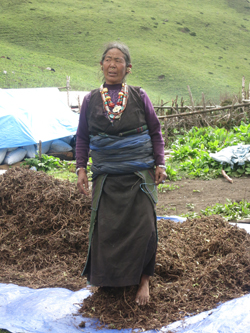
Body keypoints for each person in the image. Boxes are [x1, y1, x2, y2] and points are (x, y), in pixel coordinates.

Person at [75, 42, 167, 306]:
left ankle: (143, 281)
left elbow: (155, 131)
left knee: (144, 227)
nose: (112, 64)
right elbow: (83, 136)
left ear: (128, 68)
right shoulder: (91, 100)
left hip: (139, 175)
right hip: (106, 176)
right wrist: (81, 167)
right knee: (105, 229)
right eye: (107, 59)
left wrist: (160, 163)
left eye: (118, 60)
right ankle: (108, 281)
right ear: (101, 65)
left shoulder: (139, 95)